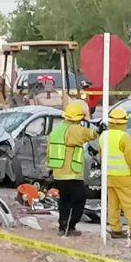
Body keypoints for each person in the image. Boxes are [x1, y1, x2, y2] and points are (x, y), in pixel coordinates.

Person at [47, 100, 104, 236]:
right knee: (79, 200)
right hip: (71, 173)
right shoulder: (73, 129)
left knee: (64, 201)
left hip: (59, 173)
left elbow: (48, 151)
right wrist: (99, 131)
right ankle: (70, 226)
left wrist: (50, 169)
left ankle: (63, 226)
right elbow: (87, 134)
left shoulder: (57, 130)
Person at [99, 108, 131, 240]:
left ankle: (115, 230)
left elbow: (100, 156)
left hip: (108, 177)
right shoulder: (124, 137)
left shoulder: (103, 136)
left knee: (113, 205)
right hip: (124, 177)